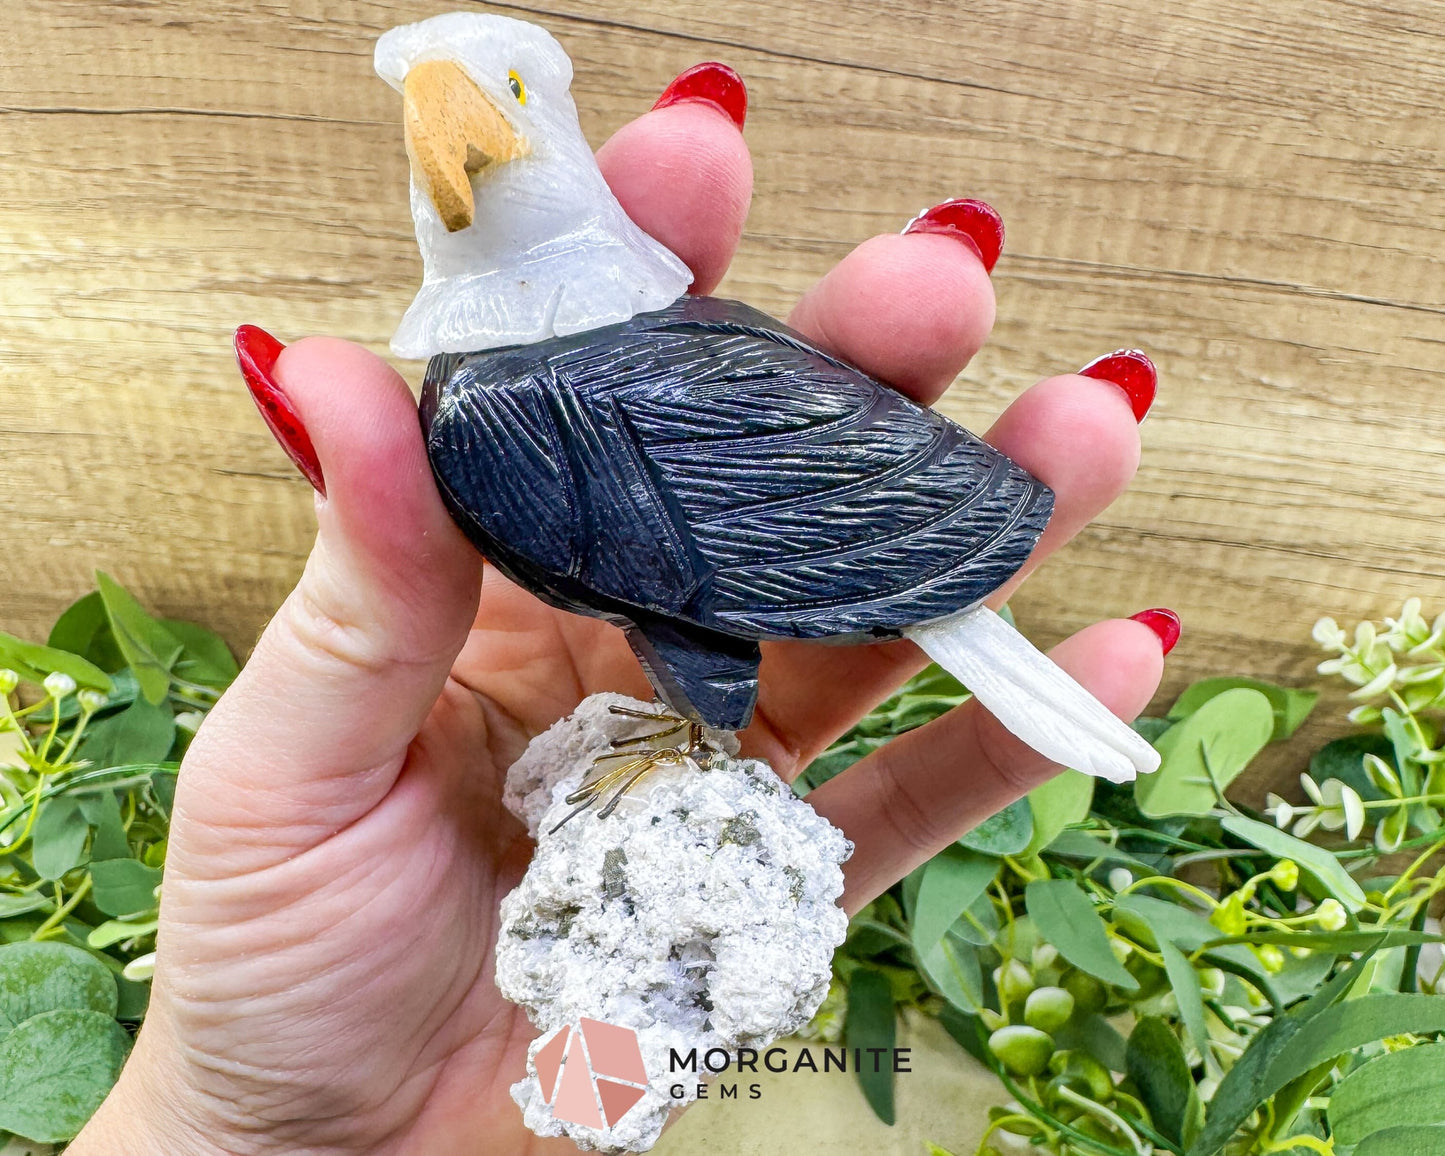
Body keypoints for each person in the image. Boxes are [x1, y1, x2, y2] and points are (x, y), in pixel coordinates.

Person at [71, 65, 1174, 1155]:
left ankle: (697, 731)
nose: (451, 118)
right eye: (423, 98)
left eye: (498, 88)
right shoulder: (499, 388)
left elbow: (692, 575)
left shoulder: (505, 398)